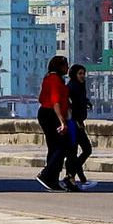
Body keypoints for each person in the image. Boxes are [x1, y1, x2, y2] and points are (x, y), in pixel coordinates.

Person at [36, 54, 77, 192]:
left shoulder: (55, 79)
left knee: (55, 147)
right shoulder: (53, 79)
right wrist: (62, 121)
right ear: (59, 67)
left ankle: (52, 179)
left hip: (50, 113)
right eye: (65, 65)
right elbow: (55, 101)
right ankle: (47, 174)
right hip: (50, 114)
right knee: (62, 145)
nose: (67, 68)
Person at [65, 63, 95, 189]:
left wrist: (87, 102)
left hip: (79, 122)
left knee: (78, 151)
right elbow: (70, 105)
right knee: (83, 149)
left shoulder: (81, 86)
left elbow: (80, 100)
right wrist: (76, 120)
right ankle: (71, 176)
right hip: (73, 123)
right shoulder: (71, 87)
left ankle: (76, 177)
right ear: (74, 74)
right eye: (80, 74)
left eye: (84, 73)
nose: (83, 76)